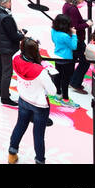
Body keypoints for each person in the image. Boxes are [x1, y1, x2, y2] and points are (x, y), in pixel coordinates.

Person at [7, 36, 59, 164]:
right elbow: (53, 91)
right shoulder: (40, 71)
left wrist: (28, 42)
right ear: (36, 52)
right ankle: (40, 160)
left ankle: (11, 154)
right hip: (39, 104)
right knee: (38, 134)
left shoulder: (15, 58)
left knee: (20, 125)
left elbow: (20, 51)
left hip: (23, 99)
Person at [0, 0, 24, 106]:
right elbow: (13, 36)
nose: (11, 3)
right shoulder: (6, 18)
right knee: (7, 71)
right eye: (9, 1)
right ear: (3, 3)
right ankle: (5, 97)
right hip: (6, 47)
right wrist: (22, 35)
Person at [62, 0, 91, 93]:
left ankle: (70, 80)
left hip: (71, 39)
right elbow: (75, 26)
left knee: (72, 60)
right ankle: (75, 83)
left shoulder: (66, 6)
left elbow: (74, 22)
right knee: (85, 61)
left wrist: (83, 21)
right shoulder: (73, 9)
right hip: (77, 39)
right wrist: (87, 24)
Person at [50, 13, 75, 99]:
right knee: (65, 79)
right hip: (66, 58)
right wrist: (74, 35)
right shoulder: (65, 36)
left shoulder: (53, 31)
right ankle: (65, 98)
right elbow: (73, 46)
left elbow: (53, 40)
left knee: (58, 75)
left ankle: (58, 92)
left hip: (57, 56)